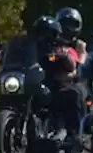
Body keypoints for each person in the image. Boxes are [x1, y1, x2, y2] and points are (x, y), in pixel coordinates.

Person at [32, 15, 86, 145]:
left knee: (73, 94)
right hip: (34, 85)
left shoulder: (62, 48)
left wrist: (65, 56)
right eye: (41, 32)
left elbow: (74, 66)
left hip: (55, 86)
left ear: (56, 35)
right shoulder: (31, 48)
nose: (44, 37)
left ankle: (74, 136)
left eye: (48, 33)